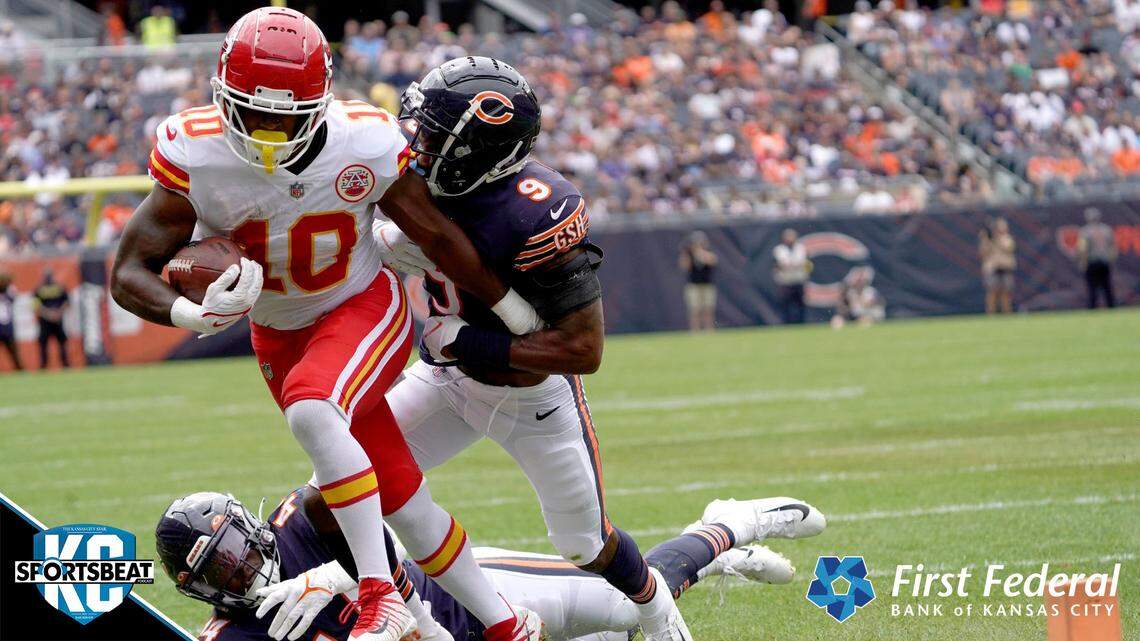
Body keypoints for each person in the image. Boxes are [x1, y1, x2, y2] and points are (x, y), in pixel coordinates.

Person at [111, 10, 546, 641]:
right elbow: (129, 270)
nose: (267, 135)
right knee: (398, 495)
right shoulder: (195, 151)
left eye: (284, 118)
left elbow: (436, 236)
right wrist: (190, 313)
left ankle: (382, 597)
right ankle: (504, 626)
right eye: (251, 114)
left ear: (320, 102)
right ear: (221, 96)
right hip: (278, 333)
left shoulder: (363, 141)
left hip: (361, 303)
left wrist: (509, 308)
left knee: (314, 412)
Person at [375, 57, 826, 641]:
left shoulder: (535, 208)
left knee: (584, 544)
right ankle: (389, 607)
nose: (419, 143)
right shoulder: (403, 171)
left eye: (436, 136)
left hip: (530, 400)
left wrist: (469, 339)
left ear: (478, 150)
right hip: (443, 380)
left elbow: (583, 349)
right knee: (345, 481)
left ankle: (668, 600)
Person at [155, 486, 821, 641]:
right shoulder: (229, 634)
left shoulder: (302, 522)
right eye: (221, 574)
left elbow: (346, 485)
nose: (243, 574)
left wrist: (348, 574)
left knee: (631, 602)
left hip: (477, 597)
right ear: (198, 591)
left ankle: (729, 524)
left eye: (238, 554)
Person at [678, 231, 718, 331]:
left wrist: (699, 252)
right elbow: (684, 266)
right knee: (694, 309)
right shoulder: (689, 253)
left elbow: (713, 260)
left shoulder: (708, 250)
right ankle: (695, 330)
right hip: (693, 285)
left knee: (708, 309)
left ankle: (709, 329)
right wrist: (685, 253)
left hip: (707, 284)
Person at [1077, 207, 1116, 309]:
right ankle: (1111, 307)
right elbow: (1113, 248)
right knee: (1107, 287)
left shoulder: (1085, 231)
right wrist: (1111, 261)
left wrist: (1083, 262)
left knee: (1092, 288)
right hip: (1104, 262)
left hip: (1092, 262)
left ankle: (1092, 308)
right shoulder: (1107, 230)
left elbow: (1083, 249)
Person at [33, 268, 69, 369]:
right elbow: (35, 305)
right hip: (48, 320)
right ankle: (44, 365)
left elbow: (66, 301)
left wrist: (55, 313)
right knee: (45, 343)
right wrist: (52, 314)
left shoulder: (56, 287)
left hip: (53, 319)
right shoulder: (41, 289)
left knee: (61, 343)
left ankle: (64, 363)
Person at [771, 229, 809, 324]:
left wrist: (789, 265)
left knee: (800, 304)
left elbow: (802, 263)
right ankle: (786, 324)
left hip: (798, 280)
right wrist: (790, 265)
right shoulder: (779, 249)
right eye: (788, 237)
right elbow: (780, 265)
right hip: (785, 282)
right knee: (785, 305)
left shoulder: (800, 248)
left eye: (792, 236)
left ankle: (801, 324)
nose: (790, 239)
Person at [978, 218, 1015, 314]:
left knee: (1006, 292)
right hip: (992, 268)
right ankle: (991, 313)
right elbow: (983, 253)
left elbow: (1008, 248)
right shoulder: (987, 240)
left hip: (1005, 267)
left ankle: (1007, 312)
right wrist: (986, 240)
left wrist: (997, 239)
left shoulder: (1007, 238)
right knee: (992, 291)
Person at [0, 272, 22, 371]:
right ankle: (19, 369)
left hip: (7, 328)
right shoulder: (9, 295)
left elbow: (12, 294)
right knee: (14, 353)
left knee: (14, 353)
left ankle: (19, 369)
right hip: (7, 327)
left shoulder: (8, 294)